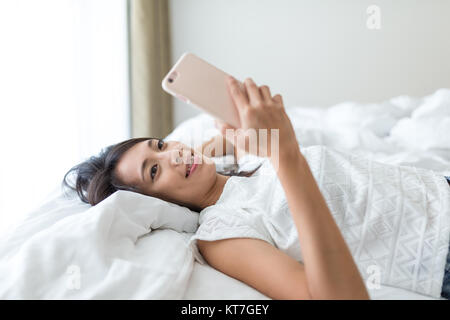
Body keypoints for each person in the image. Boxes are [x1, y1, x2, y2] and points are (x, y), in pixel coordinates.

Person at [63, 76, 450, 300]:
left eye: (160, 146)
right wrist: (286, 157)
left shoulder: (234, 166)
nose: (172, 157)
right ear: (157, 203)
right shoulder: (222, 235)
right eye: (152, 172)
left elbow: (208, 145)